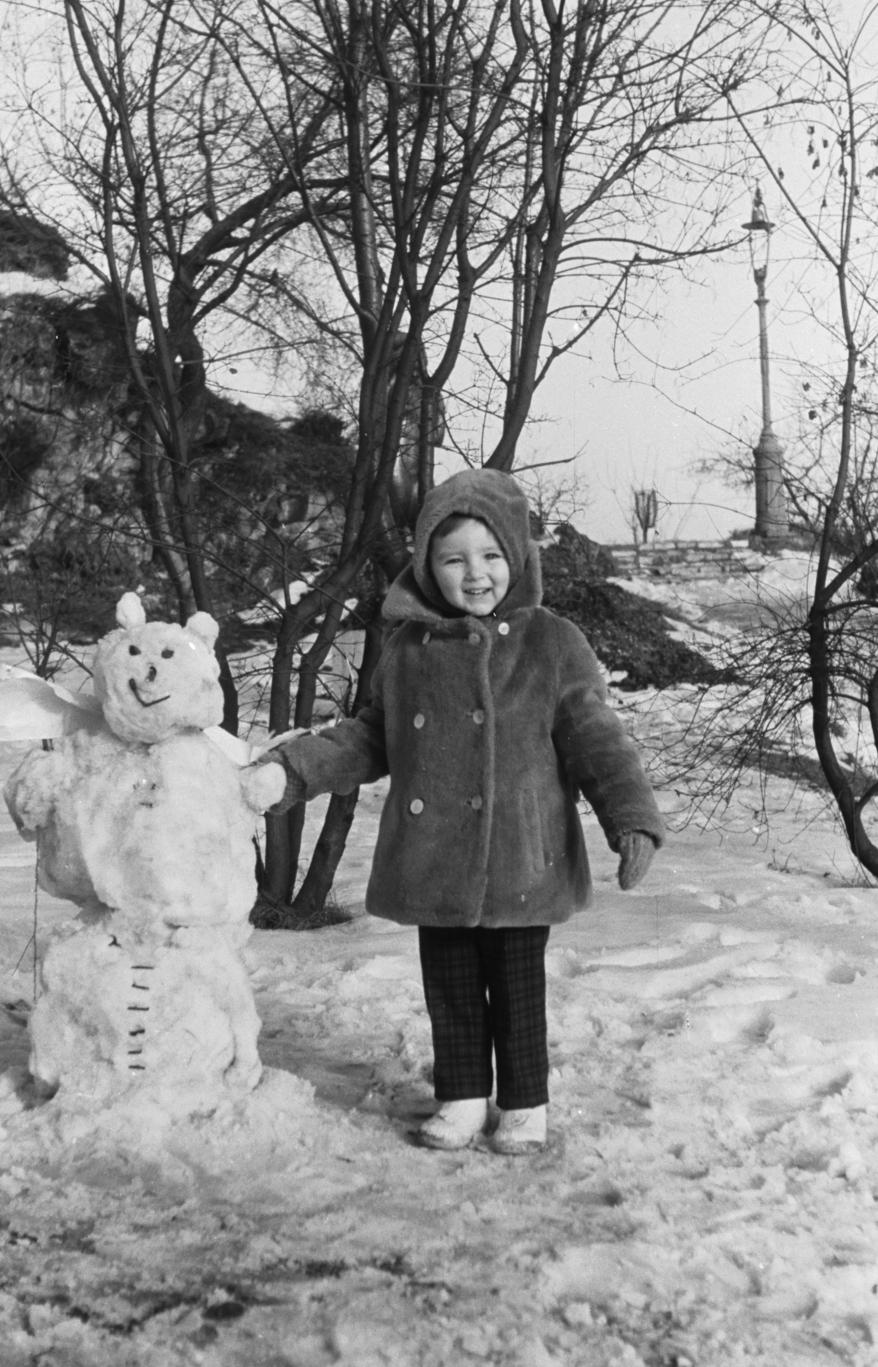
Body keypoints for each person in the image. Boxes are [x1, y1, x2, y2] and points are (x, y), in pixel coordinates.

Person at [247, 469, 665, 1154]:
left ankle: (525, 1103)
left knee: (517, 986)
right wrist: (292, 770)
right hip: (435, 851)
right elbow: (370, 737)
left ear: (518, 558)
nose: (475, 575)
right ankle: (464, 1095)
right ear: (425, 567)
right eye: (453, 559)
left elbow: (596, 736)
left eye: (491, 555)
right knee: (451, 986)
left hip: (521, 856)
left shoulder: (550, 643)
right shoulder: (408, 649)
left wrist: (632, 818)